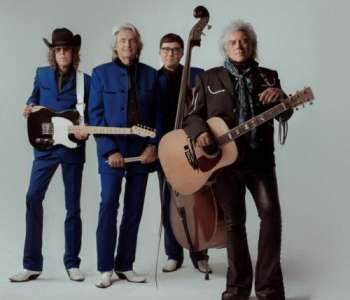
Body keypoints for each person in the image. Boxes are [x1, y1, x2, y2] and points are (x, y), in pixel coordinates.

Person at [183, 20, 292, 300]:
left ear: (252, 45)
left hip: (260, 161)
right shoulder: (209, 78)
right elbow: (192, 116)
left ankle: (268, 289)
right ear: (225, 47)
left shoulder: (269, 76)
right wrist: (200, 134)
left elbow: (284, 114)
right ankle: (237, 289)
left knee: (271, 217)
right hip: (226, 164)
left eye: (244, 41)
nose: (239, 46)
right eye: (233, 42)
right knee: (234, 223)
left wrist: (284, 99)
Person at [9, 28, 90, 282]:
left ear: (74, 52)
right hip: (44, 148)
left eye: (66, 49)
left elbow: (90, 112)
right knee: (33, 197)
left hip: (72, 148)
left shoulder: (84, 81)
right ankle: (31, 264)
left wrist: (85, 130)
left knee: (72, 206)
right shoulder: (41, 74)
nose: (62, 53)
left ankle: (72, 262)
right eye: (58, 49)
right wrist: (29, 105)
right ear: (53, 53)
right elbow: (34, 96)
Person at [89, 23, 162, 288]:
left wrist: (153, 145)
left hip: (142, 151)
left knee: (134, 208)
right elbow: (95, 115)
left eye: (131, 41)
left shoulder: (151, 75)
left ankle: (125, 265)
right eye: (122, 41)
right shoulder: (100, 74)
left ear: (139, 45)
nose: (127, 46)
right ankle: (105, 268)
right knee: (109, 204)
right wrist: (110, 150)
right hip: (112, 150)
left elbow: (159, 115)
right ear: (115, 45)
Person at [157, 33, 211, 274]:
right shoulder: (153, 78)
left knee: (197, 199)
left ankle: (199, 252)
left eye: (176, 49)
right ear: (160, 52)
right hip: (166, 149)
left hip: (191, 146)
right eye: (166, 49)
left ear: (182, 52)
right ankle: (173, 254)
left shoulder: (196, 74)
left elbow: (205, 108)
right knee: (169, 202)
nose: (171, 53)